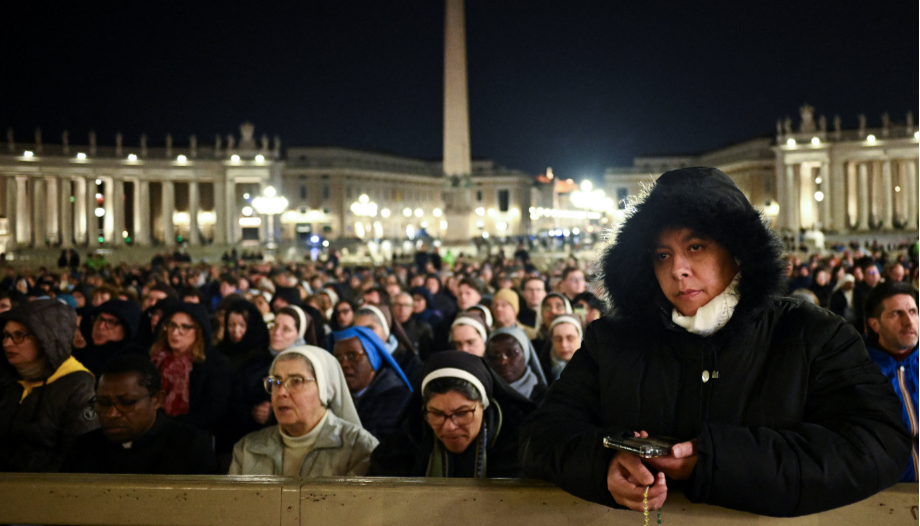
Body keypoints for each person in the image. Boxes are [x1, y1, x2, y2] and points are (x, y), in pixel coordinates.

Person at [520, 167, 910, 516]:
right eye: (661, 254)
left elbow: (879, 443)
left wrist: (715, 461)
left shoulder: (813, 334)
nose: (678, 270)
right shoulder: (610, 341)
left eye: (695, 247)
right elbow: (542, 435)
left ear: (738, 251)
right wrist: (603, 465)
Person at [368, 351, 534, 477]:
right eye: (436, 414)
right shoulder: (398, 451)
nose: (449, 426)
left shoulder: (521, 450)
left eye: (461, 413)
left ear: (483, 406)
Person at [229, 345, 378, 476]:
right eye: (276, 382)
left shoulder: (359, 449)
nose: (281, 392)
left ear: (325, 389)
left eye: (296, 381)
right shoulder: (247, 449)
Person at [61, 355, 220, 474]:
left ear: (157, 400)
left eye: (127, 403)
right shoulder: (83, 448)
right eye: (103, 403)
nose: (112, 413)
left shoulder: (191, 448)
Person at [0, 299, 99, 471]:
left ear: (47, 338)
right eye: (6, 335)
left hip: (44, 489)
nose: (7, 343)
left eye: (19, 336)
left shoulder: (78, 385)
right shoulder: (12, 378)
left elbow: (76, 455)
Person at [863, 281, 919, 482]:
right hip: (886, 494)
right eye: (896, 313)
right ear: (874, 324)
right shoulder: (860, 372)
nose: (909, 321)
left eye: (913, 311)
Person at [149, 303, 232, 434]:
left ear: (199, 330)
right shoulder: (156, 358)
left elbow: (213, 412)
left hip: (192, 435)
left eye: (185, 327)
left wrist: (168, 426)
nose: (175, 332)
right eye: (172, 325)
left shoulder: (215, 364)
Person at [332, 326, 413, 441]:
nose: (344, 364)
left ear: (373, 358)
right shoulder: (332, 399)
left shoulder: (399, 400)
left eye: (352, 356)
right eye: (338, 358)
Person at [72, 299, 146, 378]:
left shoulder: (131, 362)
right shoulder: (80, 355)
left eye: (110, 322)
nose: (101, 326)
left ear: (127, 329)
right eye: (100, 319)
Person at [484, 327, 547, 401]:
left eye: (511, 353)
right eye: (494, 356)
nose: (502, 361)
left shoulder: (547, 398)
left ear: (525, 355)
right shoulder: (485, 397)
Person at [538, 313, 583, 384]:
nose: (564, 345)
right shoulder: (540, 369)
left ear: (580, 338)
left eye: (570, 338)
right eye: (558, 339)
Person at [392, 292, 434, 361]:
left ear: (412, 308)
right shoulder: (387, 329)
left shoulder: (422, 329)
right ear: (393, 307)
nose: (402, 309)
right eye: (399, 305)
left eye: (406, 305)